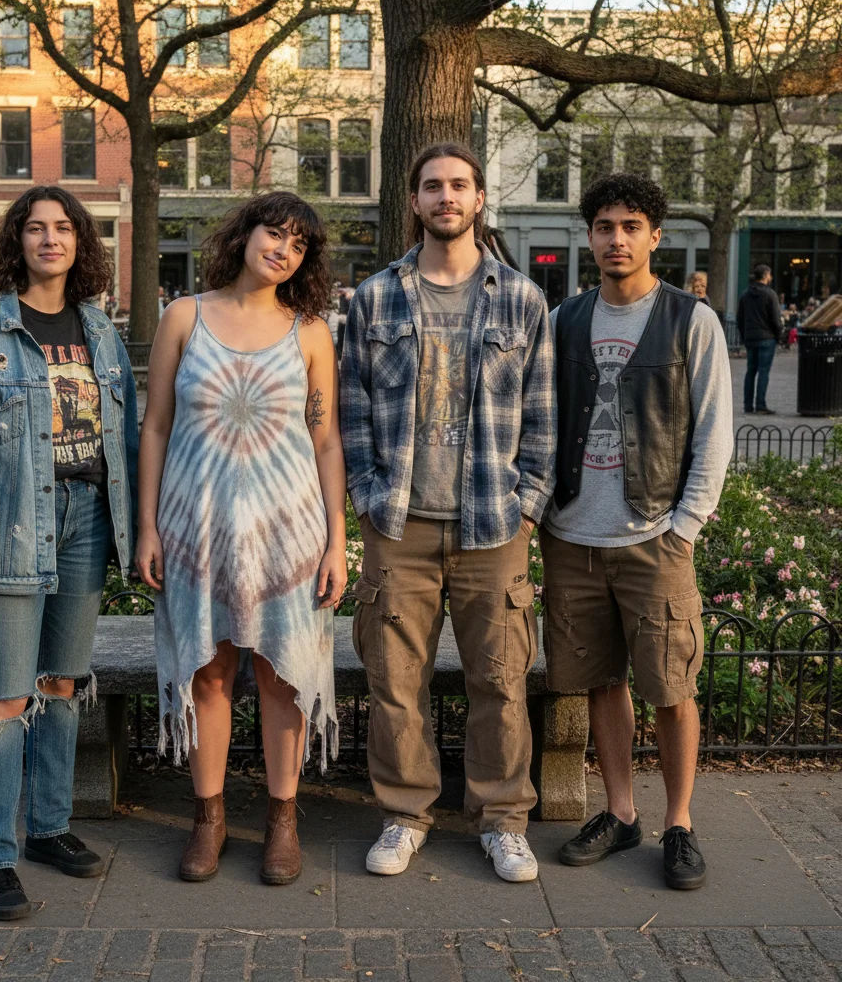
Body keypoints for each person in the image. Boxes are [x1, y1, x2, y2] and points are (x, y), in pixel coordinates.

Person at [340, 142, 555, 883]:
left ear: (479, 199)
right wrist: (368, 499)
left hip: (492, 525)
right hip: (400, 525)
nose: (446, 197)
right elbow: (353, 410)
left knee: (500, 678)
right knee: (395, 681)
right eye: (432, 185)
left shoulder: (522, 299)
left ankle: (502, 819)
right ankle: (405, 814)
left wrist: (527, 504)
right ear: (415, 201)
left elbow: (542, 414)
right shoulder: (373, 297)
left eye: (459, 185)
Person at [0, 185, 139, 921]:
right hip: (16, 524)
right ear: (16, 242)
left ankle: (48, 827)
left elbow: (128, 442)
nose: (51, 239)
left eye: (64, 229)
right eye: (36, 229)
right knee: (3, 701)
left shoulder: (100, 332)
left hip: (86, 520)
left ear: (81, 243)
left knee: (62, 684)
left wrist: (135, 535)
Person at [138, 192, 346, 887]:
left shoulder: (310, 331)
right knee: (209, 672)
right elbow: (156, 427)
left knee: (282, 676)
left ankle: (282, 821)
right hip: (196, 529)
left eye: (298, 244)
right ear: (245, 234)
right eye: (274, 232)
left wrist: (337, 540)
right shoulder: (184, 316)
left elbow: (325, 438)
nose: (282, 248)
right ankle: (209, 817)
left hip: (289, 535)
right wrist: (146, 526)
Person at [541, 173, 732, 891]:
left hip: (654, 536)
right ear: (589, 237)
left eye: (631, 226)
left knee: (671, 686)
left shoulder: (691, 321)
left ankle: (677, 822)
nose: (616, 239)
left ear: (656, 235)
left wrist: (684, 527)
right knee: (599, 682)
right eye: (604, 227)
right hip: (573, 536)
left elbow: (714, 432)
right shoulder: (566, 319)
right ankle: (620, 814)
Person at [736, 264, 781, 415]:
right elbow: (776, 319)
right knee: (763, 371)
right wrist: (779, 335)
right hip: (767, 337)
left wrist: (744, 336)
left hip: (751, 337)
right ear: (766, 275)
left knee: (751, 371)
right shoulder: (770, 295)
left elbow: (739, 318)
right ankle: (760, 404)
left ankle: (748, 405)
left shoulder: (745, 294)